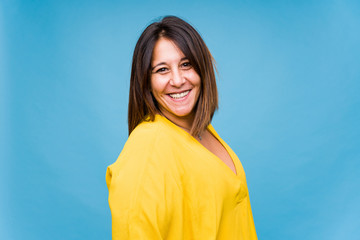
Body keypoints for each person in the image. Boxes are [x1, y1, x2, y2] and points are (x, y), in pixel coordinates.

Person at [106, 16, 257, 239]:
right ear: (146, 81)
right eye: (162, 70)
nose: (177, 80)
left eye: (186, 64)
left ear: (202, 68)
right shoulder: (147, 148)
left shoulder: (203, 132)